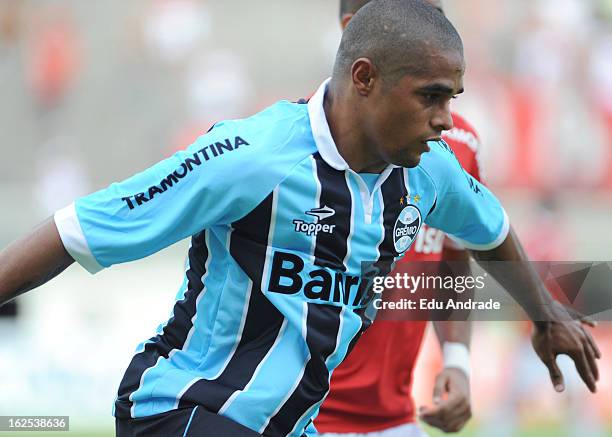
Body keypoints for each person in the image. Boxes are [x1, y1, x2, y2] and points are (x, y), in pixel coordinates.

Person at [0, 1, 599, 436]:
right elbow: (77, 229)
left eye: (451, 100)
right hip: (189, 409)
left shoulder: (430, 171)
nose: (446, 119)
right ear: (365, 78)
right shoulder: (251, 157)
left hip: (294, 426)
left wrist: (546, 316)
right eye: (430, 96)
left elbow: (490, 232)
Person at [316, 1, 478, 435]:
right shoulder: (300, 150)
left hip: (395, 420)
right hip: (297, 419)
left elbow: (451, 259)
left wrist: (458, 363)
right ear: (354, 30)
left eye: (436, 18)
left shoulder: (456, 146)